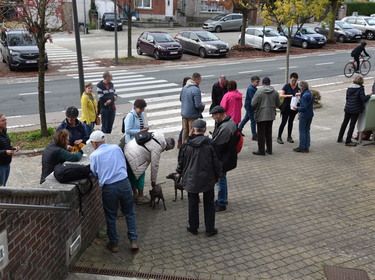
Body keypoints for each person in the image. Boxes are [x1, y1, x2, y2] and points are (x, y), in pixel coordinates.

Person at [88, 130, 139, 252]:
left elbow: (94, 173)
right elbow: (123, 162)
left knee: (111, 216)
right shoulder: (116, 148)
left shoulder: (94, 156)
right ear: (104, 140)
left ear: (94, 144)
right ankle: (133, 240)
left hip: (109, 187)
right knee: (129, 212)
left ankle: (114, 243)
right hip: (124, 182)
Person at [176, 119, 221, 236]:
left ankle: (193, 227)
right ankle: (210, 229)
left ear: (192, 129)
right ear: (205, 130)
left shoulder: (186, 144)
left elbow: (181, 161)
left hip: (191, 177)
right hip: (208, 177)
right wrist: (218, 175)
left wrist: (179, 173)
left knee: (192, 203)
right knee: (209, 203)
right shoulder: (211, 143)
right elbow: (216, 162)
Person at [124, 133, 175, 204]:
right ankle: (140, 198)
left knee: (132, 175)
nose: (166, 150)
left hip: (128, 149)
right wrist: (153, 181)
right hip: (133, 155)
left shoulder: (156, 136)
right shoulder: (158, 147)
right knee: (140, 174)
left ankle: (135, 194)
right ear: (167, 144)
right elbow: (155, 166)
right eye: (167, 149)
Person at [210, 105, 238, 212]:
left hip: (223, 158)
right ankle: (223, 199)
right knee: (223, 179)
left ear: (219, 114)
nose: (213, 117)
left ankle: (221, 203)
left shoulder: (225, 127)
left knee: (220, 180)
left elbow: (216, 144)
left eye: (213, 115)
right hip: (228, 156)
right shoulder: (229, 122)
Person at [338, 76, 372, 146]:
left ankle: (339, 138)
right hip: (355, 109)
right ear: (361, 81)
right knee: (352, 125)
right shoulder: (360, 89)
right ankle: (348, 141)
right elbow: (363, 99)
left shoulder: (349, 88)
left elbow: (347, 98)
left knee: (344, 123)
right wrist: (368, 96)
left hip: (347, 108)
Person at [251, 77, 280, 156]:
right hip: (271, 115)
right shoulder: (275, 92)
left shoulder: (259, 91)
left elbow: (253, 103)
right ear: (270, 83)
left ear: (262, 83)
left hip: (261, 115)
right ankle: (269, 149)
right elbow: (278, 104)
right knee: (268, 132)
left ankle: (261, 150)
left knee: (261, 133)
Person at [180, 72, 205, 144]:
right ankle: (190, 147)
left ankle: (183, 146)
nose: (200, 82)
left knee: (185, 131)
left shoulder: (185, 87)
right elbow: (198, 105)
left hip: (184, 113)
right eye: (200, 80)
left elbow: (181, 99)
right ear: (197, 79)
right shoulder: (196, 90)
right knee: (192, 132)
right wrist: (203, 106)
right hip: (192, 114)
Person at [277, 72, 300, 144]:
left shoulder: (298, 88)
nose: (293, 82)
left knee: (291, 122)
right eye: (292, 80)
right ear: (290, 79)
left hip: (293, 108)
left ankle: (289, 136)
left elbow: (301, 96)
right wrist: (289, 95)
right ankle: (279, 137)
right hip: (286, 107)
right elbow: (281, 95)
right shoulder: (286, 86)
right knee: (284, 122)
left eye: (295, 81)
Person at [292, 81, 314, 153]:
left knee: (302, 131)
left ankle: (302, 147)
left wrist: (297, 108)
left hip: (304, 115)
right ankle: (307, 147)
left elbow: (303, 107)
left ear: (302, 88)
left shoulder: (304, 96)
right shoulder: (311, 93)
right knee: (307, 130)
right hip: (310, 114)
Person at [238, 76, 260, 141]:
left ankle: (239, 129)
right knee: (253, 120)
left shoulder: (254, 88)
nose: (258, 83)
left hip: (250, 106)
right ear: (253, 82)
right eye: (257, 81)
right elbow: (253, 98)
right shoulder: (251, 89)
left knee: (246, 118)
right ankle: (254, 135)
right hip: (250, 107)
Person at [0, 114, 19, 186]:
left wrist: (13, 148)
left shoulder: (4, 132)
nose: (5, 122)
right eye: (3, 121)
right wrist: (5, 152)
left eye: (6, 120)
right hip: (0, 165)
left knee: (3, 185)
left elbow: (5, 146)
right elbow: (4, 150)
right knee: (1, 187)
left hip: (7, 163)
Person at [177, 77, 191, 149]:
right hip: (186, 111)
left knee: (184, 128)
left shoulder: (184, 89)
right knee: (185, 128)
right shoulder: (185, 90)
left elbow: (180, 99)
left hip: (184, 111)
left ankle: (180, 142)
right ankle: (180, 141)